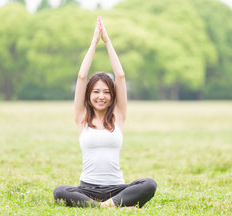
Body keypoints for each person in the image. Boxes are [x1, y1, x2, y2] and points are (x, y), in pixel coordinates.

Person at [53, 16, 157, 209]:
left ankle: (108, 204)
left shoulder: (118, 116)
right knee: (60, 191)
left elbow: (121, 76)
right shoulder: (82, 118)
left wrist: (107, 41)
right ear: (89, 95)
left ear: (112, 96)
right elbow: (82, 76)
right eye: (96, 92)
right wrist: (94, 42)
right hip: (87, 188)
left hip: (117, 188)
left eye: (107, 92)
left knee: (149, 184)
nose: (102, 96)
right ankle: (108, 207)